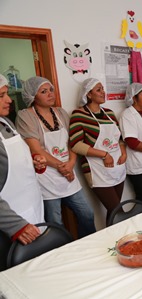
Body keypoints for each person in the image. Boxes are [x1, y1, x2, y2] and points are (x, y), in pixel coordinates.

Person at [15, 76, 95, 238]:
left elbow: (73, 141)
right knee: (55, 224)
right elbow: (35, 149)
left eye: (51, 89)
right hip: (46, 179)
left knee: (87, 214)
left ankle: (85, 247)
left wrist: (71, 163)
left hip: (68, 174)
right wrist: (62, 166)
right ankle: (62, 255)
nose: (50, 94)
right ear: (32, 96)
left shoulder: (61, 113)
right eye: (44, 92)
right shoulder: (26, 116)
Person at [69, 78, 127, 222]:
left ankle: (112, 242)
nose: (103, 92)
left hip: (117, 167)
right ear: (88, 94)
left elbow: (119, 138)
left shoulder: (109, 113)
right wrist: (104, 154)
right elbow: (76, 144)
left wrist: (124, 153)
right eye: (98, 90)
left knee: (114, 212)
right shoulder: (79, 115)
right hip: (97, 170)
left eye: (103, 89)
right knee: (117, 211)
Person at [0, 74, 45, 226]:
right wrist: (16, 227)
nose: (9, 100)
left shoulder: (6, 122)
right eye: (1, 95)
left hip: (32, 208)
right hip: (13, 221)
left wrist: (34, 163)